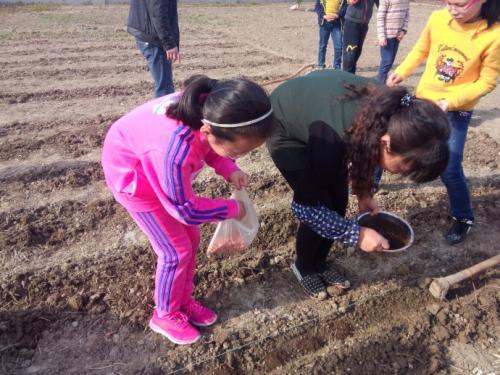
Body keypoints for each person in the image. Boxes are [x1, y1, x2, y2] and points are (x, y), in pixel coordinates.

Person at [102, 75, 275, 345]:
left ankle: (183, 300)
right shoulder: (176, 150)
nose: (241, 156)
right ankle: (165, 313)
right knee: (175, 251)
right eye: (239, 152)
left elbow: (212, 147)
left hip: (159, 169)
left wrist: (229, 168)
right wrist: (232, 209)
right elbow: (184, 210)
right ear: (209, 131)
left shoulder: (210, 111)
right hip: (136, 180)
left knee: (191, 240)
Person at [267, 69, 450, 299]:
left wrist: (364, 193)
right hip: (285, 128)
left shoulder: (394, 115)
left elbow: (367, 148)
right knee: (319, 203)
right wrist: (356, 235)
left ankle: (320, 263)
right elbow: (304, 207)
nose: (401, 173)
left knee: (338, 201)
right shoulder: (333, 140)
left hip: (322, 112)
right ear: (387, 143)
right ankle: (304, 266)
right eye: (405, 168)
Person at [387, 0, 500, 245]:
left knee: (449, 166)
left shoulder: (494, 35)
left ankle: (463, 217)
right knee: (394, 142)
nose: (452, 9)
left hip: (455, 111)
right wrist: (402, 71)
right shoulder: (438, 19)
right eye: (448, 2)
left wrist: (451, 101)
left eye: (459, 4)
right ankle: (369, 188)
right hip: (424, 102)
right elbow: (421, 49)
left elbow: (487, 82)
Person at [127, 0, 180, 98]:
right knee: (165, 90)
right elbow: (158, 13)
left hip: (149, 32)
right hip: (154, 38)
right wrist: (169, 44)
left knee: (164, 85)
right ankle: (164, 112)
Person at [376, 0, 410, 84]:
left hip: (397, 36)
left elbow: (407, 15)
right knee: (386, 62)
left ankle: (381, 84)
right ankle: (379, 85)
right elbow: (380, 17)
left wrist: (403, 31)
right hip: (387, 36)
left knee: (389, 62)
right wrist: (381, 36)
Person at [342, 0, 379, 74]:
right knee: (350, 54)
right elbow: (351, 1)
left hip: (364, 24)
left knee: (357, 53)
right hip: (352, 22)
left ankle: (351, 77)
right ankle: (346, 78)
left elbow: (381, 5)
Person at [315, 0, 347, 70]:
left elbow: (345, 7)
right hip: (324, 23)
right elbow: (317, 7)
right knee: (322, 46)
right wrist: (324, 16)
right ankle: (321, 65)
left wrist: (337, 15)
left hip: (337, 24)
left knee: (338, 47)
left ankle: (336, 67)